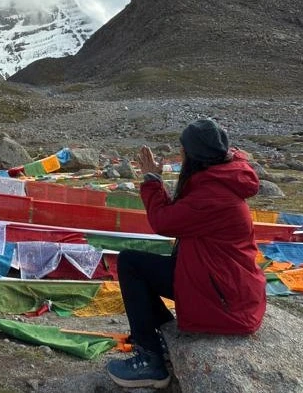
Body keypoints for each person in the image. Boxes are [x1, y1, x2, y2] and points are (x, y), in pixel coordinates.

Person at [106, 119, 265, 389]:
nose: (179, 156)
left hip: (224, 298)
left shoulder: (212, 195)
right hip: (225, 284)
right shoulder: (221, 176)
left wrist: (152, 180)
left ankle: (151, 362)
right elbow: (181, 215)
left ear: (194, 156)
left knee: (131, 263)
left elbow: (164, 222)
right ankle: (164, 336)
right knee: (148, 264)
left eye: (182, 151)